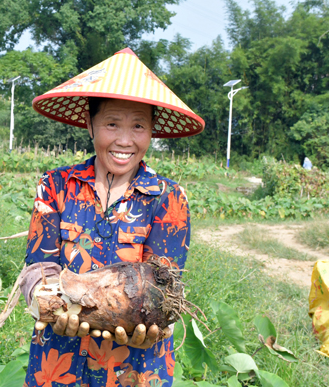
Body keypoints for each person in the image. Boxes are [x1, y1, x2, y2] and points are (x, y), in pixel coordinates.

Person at [20, 48, 205, 386]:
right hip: (58, 359)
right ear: (90, 125)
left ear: (152, 131)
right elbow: (37, 266)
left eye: (138, 126)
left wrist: (155, 325)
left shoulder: (169, 198)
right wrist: (43, 299)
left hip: (135, 365)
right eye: (111, 124)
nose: (124, 140)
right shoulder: (55, 186)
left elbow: (164, 286)